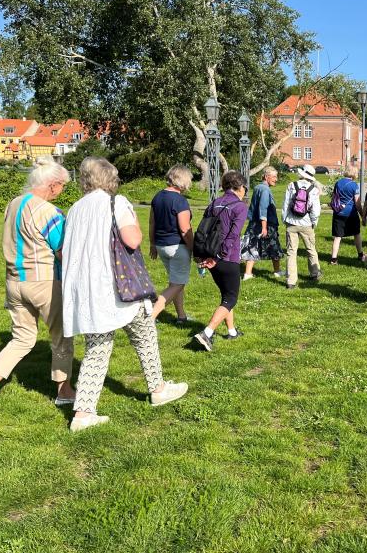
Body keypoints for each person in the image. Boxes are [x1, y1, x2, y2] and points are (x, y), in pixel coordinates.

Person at [62, 157, 188, 432]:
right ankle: (157, 388)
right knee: (145, 335)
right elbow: (132, 239)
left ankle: (83, 414)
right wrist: (137, 226)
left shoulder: (75, 209)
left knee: (97, 348)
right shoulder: (115, 202)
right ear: (110, 178)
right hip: (118, 286)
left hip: (87, 288)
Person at [0, 156, 75, 423]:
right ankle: (64, 390)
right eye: (62, 186)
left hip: (14, 283)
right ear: (52, 185)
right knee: (61, 337)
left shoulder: (13, 203)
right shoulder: (49, 212)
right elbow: (62, 251)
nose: (62, 191)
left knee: (21, 340)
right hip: (44, 282)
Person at [193, 170, 249, 350]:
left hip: (209, 253)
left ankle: (232, 331)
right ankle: (206, 333)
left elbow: (202, 229)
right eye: (244, 188)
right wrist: (219, 256)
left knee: (226, 295)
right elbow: (233, 235)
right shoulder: (240, 207)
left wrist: (204, 256)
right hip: (226, 256)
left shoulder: (215, 202)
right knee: (231, 298)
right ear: (240, 187)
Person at [149, 164, 195, 323]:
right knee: (178, 283)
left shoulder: (157, 197)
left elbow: (151, 223)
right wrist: (194, 248)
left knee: (176, 281)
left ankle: (181, 316)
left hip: (162, 246)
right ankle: (150, 317)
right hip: (177, 247)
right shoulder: (180, 200)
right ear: (183, 180)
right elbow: (184, 229)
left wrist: (152, 245)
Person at [241, 166, 286, 279]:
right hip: (265, 224)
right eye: (274, 177)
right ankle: (277, 271)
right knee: (274, 246)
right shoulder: (265, 190)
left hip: (254, 223)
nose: (276, 179)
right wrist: (264, 227)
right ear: (266, 177)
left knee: (252, 246)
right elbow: (263, 209)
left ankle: (247, 273)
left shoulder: (258, 187)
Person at [282, 164, 322, 289]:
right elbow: (316, 210)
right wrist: (314, 222)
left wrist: (285, 219)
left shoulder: (291, 186)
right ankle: (315, 273)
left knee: (291, 252)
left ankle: (291, 281)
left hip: (291, 223)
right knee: (311, 249)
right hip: (307, 224)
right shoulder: (314, 189)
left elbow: (286, 204)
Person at [329, 167, 364, 264]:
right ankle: (360, 255)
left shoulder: (338, 183)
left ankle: (334, 259)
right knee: (356, 234)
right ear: (355, 173)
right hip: (351, 213)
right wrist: (362, 215)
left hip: (338, 212)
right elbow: (357, 203)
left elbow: (334, 196)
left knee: (337, 237)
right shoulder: (354, 185)